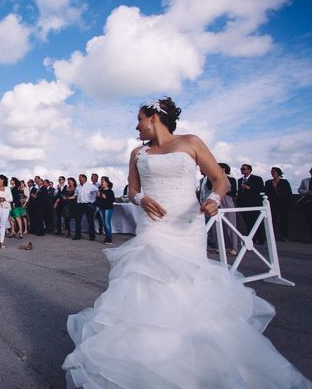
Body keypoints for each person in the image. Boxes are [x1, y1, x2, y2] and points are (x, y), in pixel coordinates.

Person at [63, 98, 312, 388]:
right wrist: (141, 199)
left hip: (188, 223)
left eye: (140, 119)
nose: (136, 125)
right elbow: (132, 189)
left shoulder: (191, 142)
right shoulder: (137, 152)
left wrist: (214, 199)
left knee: (188, 286)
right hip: (153, 224)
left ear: (154, 117)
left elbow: (220, 179)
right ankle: (148, 358)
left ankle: (199, 364)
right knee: (149, 282)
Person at [237, 163, 266, 244]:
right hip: (244, 204)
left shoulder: (257, 178)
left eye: (244, 169)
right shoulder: (240, 180)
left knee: (257, 221)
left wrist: (249, 188)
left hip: (254, 203)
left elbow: (261, 189)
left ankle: (261, 239)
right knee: (247, 222)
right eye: (241, 169)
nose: (242, 170)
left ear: (249, 170)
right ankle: (251, 238)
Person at [264, 166, 293, 242]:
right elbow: (266, 193)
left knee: (283, 220)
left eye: (274, 171)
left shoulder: (284, 182)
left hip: (283, 204)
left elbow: (289, 193)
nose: (272, 173)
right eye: (271, 171)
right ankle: (271, 236)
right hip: (272, 204)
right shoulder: (268, 182)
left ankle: (284, 236)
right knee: (272, 220)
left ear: (278, 172)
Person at [73, 174, 98, 240]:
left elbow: (97, 190)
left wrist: (94, 200)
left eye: (80, 178)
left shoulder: (90, 186)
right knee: (78, 221)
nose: (79, 179)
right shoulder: (78, 187)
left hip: (88, 205)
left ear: (84, 178)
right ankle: (77, 235)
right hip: (79, 205)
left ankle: (92, 236)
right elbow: (75, 195)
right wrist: (68, 198)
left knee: (90, 221)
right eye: (79, 178)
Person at [96, 176, 115, 245]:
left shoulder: (110, 191)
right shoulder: (100, 191)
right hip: (101, 208)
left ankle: (109, 239)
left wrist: (105, 197)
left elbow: (113, 200)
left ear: (107, 183)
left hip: (108, 208)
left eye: (103, 182)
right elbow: (98, 201)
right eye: (101, 182)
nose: (101, 183)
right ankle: (107, 237)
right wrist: (98, 196)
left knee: (107, 223)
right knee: (104, 223)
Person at [298, 167, 312, 241]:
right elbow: (299, 190)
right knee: (309, 220)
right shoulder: (305, 181)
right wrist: (307, 192)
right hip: (307, 202)